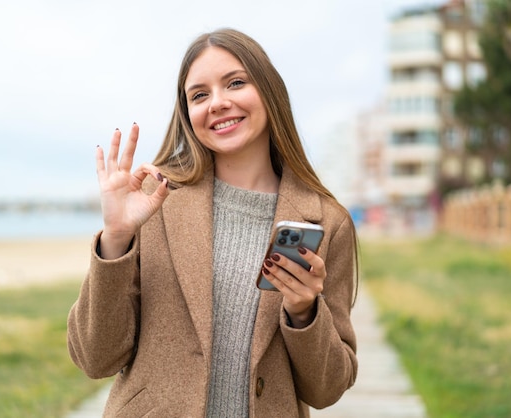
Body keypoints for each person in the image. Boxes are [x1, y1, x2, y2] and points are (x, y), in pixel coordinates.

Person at [67, 28, 358, 417]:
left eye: (235, 83)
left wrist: (305, 311)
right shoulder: (155, 201)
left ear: (269, 92)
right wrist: (116, 241)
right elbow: (94, 358)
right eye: (199, 95)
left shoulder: (327, 222)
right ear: (187, 114)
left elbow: (327, 389)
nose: (217, 103)